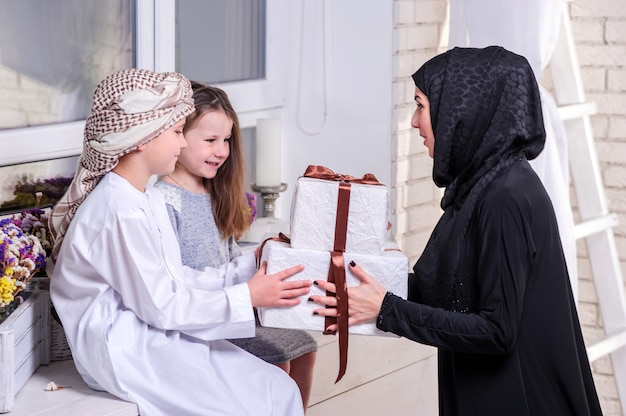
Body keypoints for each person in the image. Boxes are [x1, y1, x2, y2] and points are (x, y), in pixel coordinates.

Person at [312, 46, 603, 415]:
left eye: (421, 106)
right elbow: (452, 289)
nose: (414, 122)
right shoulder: (485, 184)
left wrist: (387, 309)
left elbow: (497, 330)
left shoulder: (504, 198)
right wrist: (370, 276)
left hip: (521, 400)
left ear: (459, 111)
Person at [48, 68, 311, 416]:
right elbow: (162, 306)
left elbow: (177, 279)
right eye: (175, 131)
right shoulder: (118, 209)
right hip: (126, 349)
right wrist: (247, 297)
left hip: (147, 333)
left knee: (277, 389)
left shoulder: (141, 199)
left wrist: (252, 263)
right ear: (141, 137)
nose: (183, 142)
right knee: (268, 393)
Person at [154, 81, 317, 409]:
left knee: (305, 346)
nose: (222, 151)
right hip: (203, 318)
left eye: (226, 140)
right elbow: (174, 281)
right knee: (277, 359)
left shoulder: (214, 193)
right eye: (210, 140)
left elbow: (230, 258)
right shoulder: (163, 200)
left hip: (237, 306)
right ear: (178, 136)